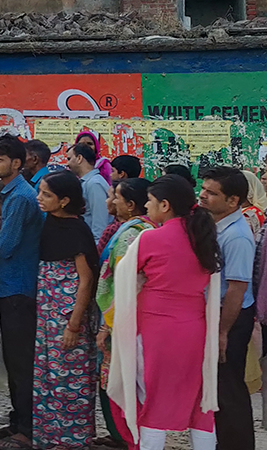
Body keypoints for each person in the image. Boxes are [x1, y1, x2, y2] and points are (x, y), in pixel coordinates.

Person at [107, 175, 220, 450]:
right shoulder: (203, 237)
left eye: (150, 201)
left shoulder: (150, 239)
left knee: (154, 403)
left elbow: (120, 279)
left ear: (165, 205)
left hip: (157, 332)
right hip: (196, 330)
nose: (146, 206)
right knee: (199, 403)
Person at [32, 171, 99, 449]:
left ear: (64, 201)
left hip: (66, 314)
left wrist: (73, 324)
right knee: (47, 374)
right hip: (47, 312)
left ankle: (72, 440)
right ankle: (48, 436)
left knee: (69, 376)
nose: (40, 199)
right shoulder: (49, 223)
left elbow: (86, 280)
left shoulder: (75, 230)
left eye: (47, 194)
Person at [0, 135, 44, 448]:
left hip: (18, 289)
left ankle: (26, 427)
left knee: (21, 362)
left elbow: (5, 247)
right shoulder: (14, 193)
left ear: (17, 164)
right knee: (15, 361)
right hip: (13, 287)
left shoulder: (20, 197)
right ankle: (17, 421)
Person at [196, 166, 255, 449]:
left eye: (211, 193)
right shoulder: (216, 226)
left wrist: (222, 332)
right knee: (219, 387)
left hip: (231, 316)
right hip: (218, 314)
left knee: (229, 387)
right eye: (204, 189)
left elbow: (237, 289)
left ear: (233, 201)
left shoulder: (237, 236)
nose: (203, 195)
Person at [95, 178, 154, 447]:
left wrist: (107, 326)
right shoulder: (135, 229)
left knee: (118, 378)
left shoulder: (132, 234)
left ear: (131, 206)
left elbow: (124, 283)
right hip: (124, 317)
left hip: (122, 319)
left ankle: (126, 436)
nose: (112, 201)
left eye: (116, 197)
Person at [68, 143, 112, 241]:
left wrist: (95, 249)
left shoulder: (94, 183)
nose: (67, 164)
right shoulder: (87, 182)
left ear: (79, 158)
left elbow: (100, 223)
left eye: (69, 159)